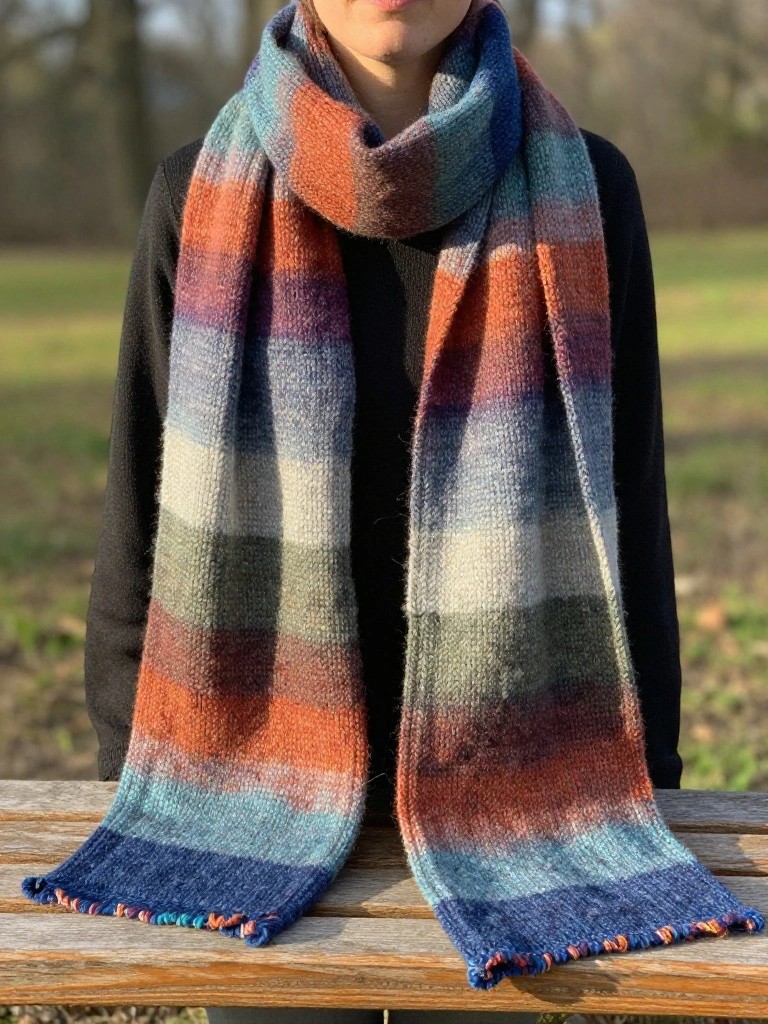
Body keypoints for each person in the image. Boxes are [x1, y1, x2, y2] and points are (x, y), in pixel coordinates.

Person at [83, 0, 684, 1020]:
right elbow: (139, 522)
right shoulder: (196, 194)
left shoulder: (590, 192)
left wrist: (650, 781)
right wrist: (131, 776)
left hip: (527, 812)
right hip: (244, 803)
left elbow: (629, 515)